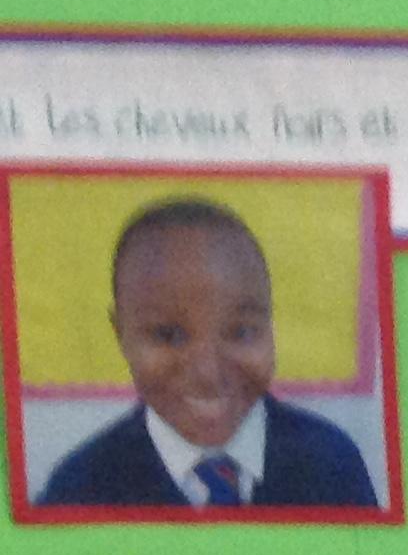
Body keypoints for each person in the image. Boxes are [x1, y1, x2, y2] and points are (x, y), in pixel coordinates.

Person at [36, 197, 379, 511]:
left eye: (241, 332)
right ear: (120, 335)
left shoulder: (332, 464)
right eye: (168, 336)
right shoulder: (78, 489)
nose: (208, 374)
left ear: (270, 324)